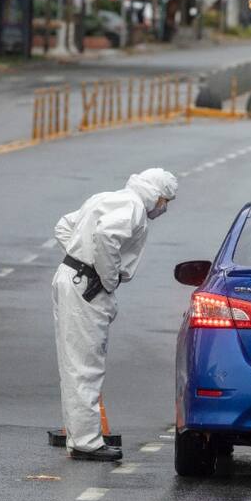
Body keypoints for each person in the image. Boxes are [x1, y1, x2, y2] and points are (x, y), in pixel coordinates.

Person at [52, 168, 178, 462]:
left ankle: (79, 435)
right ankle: (86, 442)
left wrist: (78, 257)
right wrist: (106, 279)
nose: (164, 207)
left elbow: (63, 226)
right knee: (86, 365)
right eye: (165, 200)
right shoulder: (132, 207)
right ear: (156, 194)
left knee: (73, 363)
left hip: (71, 278)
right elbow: (107, 237)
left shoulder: (107, 198)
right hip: (87, 286)